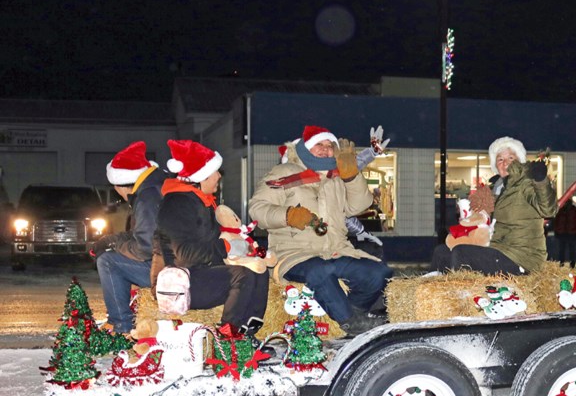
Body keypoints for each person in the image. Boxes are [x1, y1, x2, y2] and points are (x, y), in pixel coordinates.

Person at [248, 125, 392, 336]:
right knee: (319, 271)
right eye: (319, 145)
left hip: (336, 250)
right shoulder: (284, 172)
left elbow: (359, 205)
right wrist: (288, 215)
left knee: (378, 273)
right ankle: (350, 323)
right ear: (305, 149)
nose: (325, 150)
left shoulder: (337, 177)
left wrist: (352, 176)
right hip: (294, 254)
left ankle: (349, 316)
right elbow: (257, 209)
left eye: (329, 145)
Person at [153, 139, 269, 337]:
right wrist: (226, 247)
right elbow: (186, 255)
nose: (219, 176)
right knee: (241, 275)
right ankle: (228, 335)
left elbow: (214, 240)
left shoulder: (200, 201)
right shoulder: (177, 205)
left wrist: (245, 249)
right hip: (178, 283)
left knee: (259, 270)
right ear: (202, 177)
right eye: (215, 172)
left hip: (196, 272)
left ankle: (247, 332)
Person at [430, 136, 557, 275]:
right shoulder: (498, 189)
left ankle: (461, 294)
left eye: (511, 158)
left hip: (522, 257)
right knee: (441, 252)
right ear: (495, 165)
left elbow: (549, 209)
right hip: (498, 249)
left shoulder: (526, 184)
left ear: (520, 161)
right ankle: (432, 292)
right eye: (500, 159)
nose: (505, 163)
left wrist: (541, 181)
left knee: (461, 253)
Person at [91, 141, 166, 335]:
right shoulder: (156, 187)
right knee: (115, 257)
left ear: (120, 186)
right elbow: (145, 233)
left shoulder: (147, 198)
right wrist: (113, 240)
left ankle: (121, 326)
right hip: (178, 261)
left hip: (171, 271)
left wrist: (114, 248)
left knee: (107, 261)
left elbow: (145, 248)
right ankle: (121, 321)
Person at [552, 197, 576, 269]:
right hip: (566, 233)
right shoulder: (573, 211)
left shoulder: (562, 211)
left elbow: (556, 222)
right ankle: (564, 264)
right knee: (564, 250)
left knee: (569, 250)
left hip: (568, 233)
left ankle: (570, 264)